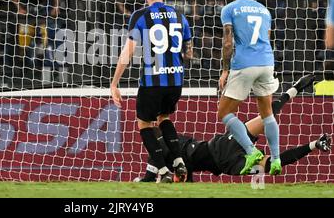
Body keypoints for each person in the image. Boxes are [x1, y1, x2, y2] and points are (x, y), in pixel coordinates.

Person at [135, 74, 332, 182]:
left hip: (223, 156)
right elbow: (178, 175)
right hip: (223, 151)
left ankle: (296, 95)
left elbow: (150, 178)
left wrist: (144, 181)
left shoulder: (160, 152)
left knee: (270, 160)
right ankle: (296, 94)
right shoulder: (171, 144)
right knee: (268, 130)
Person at [111, 0, 193, 183]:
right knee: (164, 118)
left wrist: (114, 83)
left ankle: (163, 171)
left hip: (152, 81)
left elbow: (127, 54)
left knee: (145, 124)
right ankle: (178, 161)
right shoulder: (179, 14)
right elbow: (189, 51)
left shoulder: (140, 15)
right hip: (175, 80)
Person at [219, 0, 281, 175]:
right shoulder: (264, 10)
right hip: (266, 62)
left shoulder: (229, 9)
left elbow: (228, 42)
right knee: (267, 114)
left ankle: (251, 150)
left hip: (245, 64)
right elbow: (267, 37)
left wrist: (225, 69)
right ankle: (277, 159)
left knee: (225, 113)